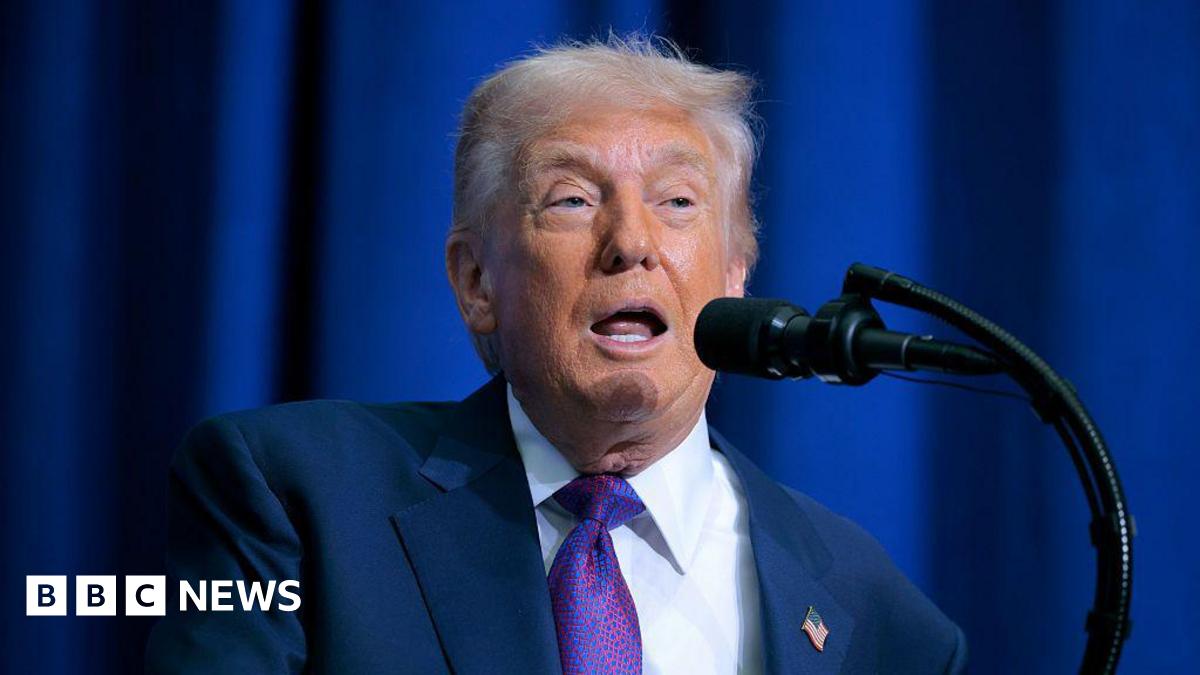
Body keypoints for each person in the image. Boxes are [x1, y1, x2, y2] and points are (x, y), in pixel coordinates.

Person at [146, 36, 967, 674]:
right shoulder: (292, 498)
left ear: (735, 276)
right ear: (476, 281)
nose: (632, 243)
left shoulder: (882, 613)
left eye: (678, 202)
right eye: (572, 199)